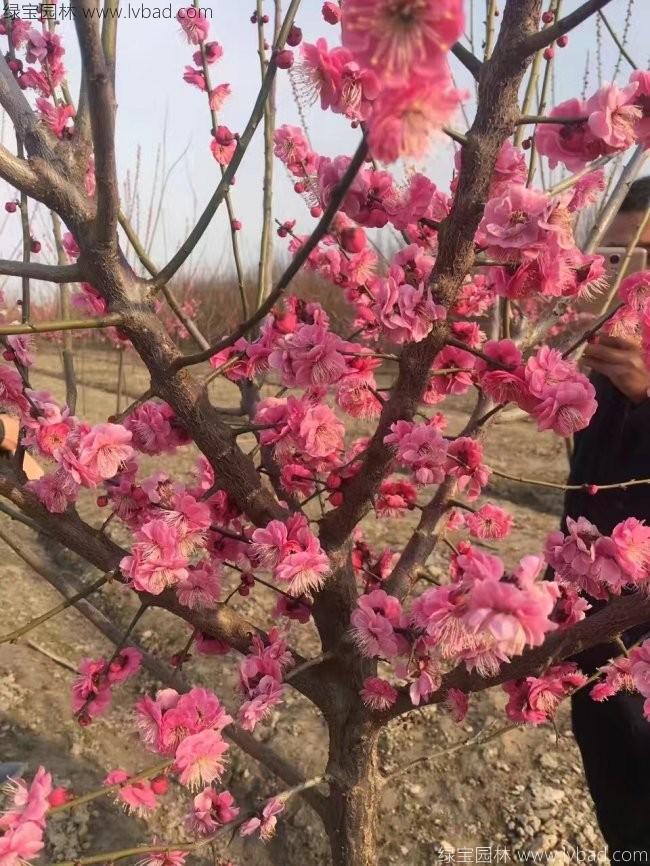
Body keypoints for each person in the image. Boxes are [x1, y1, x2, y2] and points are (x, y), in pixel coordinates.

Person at [562, 176, 650, 859]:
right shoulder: (604, 376)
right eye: (615, 258)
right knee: (624, 824)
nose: (631, 279)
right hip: (598, 661)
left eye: (646, 259)